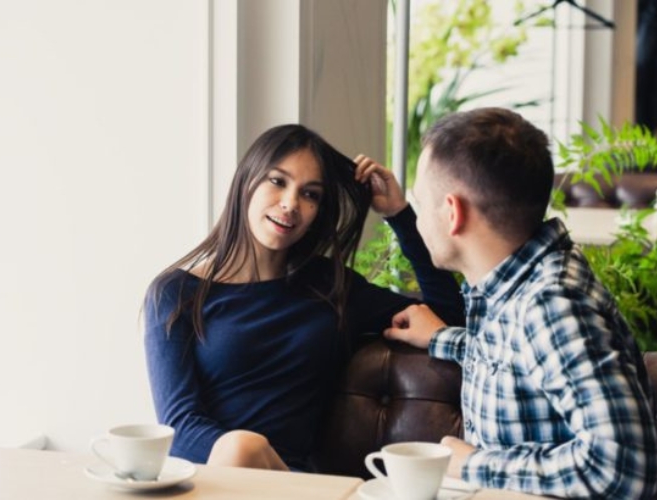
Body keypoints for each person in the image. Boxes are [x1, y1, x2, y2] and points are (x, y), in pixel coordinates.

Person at [143, 124, 464, 472]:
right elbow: (179, 425)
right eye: (278, 181)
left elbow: (447, 311)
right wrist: (240, 454)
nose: (290, 204)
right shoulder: (175, 293)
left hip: (295, 484)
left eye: (310, 194)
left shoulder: (331, 287)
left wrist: (399, 215)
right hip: (209, 479)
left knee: (244, 447)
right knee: (241, 447)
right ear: (246, 181)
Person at [385, 107, 657, 499]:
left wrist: (472, 464)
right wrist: (444, 339)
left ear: (452, 213)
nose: (419, 220)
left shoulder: (551, 304)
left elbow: (622, 467)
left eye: (421, 203)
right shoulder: (516, 285)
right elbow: (520, 356)